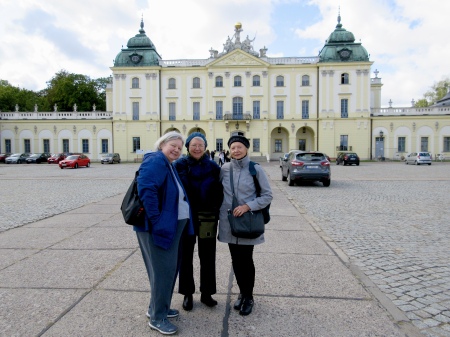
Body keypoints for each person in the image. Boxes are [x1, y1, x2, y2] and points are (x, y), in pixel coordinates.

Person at [135, 131, 194, 335]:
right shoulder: (156, 161)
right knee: (163, 273)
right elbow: (146, 189)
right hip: (159, 228)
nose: (177, 149)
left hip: (171, 226)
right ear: (162, 145)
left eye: (179, 147)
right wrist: (157, 221)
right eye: (173, 145)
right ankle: (157, 318)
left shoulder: (167, 163)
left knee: (167, 271)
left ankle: (158, 308)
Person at [218, 135, 273, 316]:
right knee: (236, 260)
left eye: (240, 147)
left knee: (246, 260)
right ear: (229, 150)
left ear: (246, 149)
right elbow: (218, 192)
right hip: (229, 223)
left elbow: (267, 196)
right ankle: (242, 293)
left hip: (248, 222)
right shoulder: (225, 169)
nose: (236, 150)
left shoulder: (255, 169)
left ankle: (249, 297)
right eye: (233, 147)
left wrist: (247, 206)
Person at [174, 132, 223, 311]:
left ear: (205, 147)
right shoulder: (179, 165)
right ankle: (187, 293)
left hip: (207, 216)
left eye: (200, 145)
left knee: (208, 255)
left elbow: (219, 190)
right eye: (194, 145)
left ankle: (207, 292)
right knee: (186, 256)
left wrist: (215, 209)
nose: (197, 148)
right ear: (188, 146)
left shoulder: (213, 167)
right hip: (186, 217)